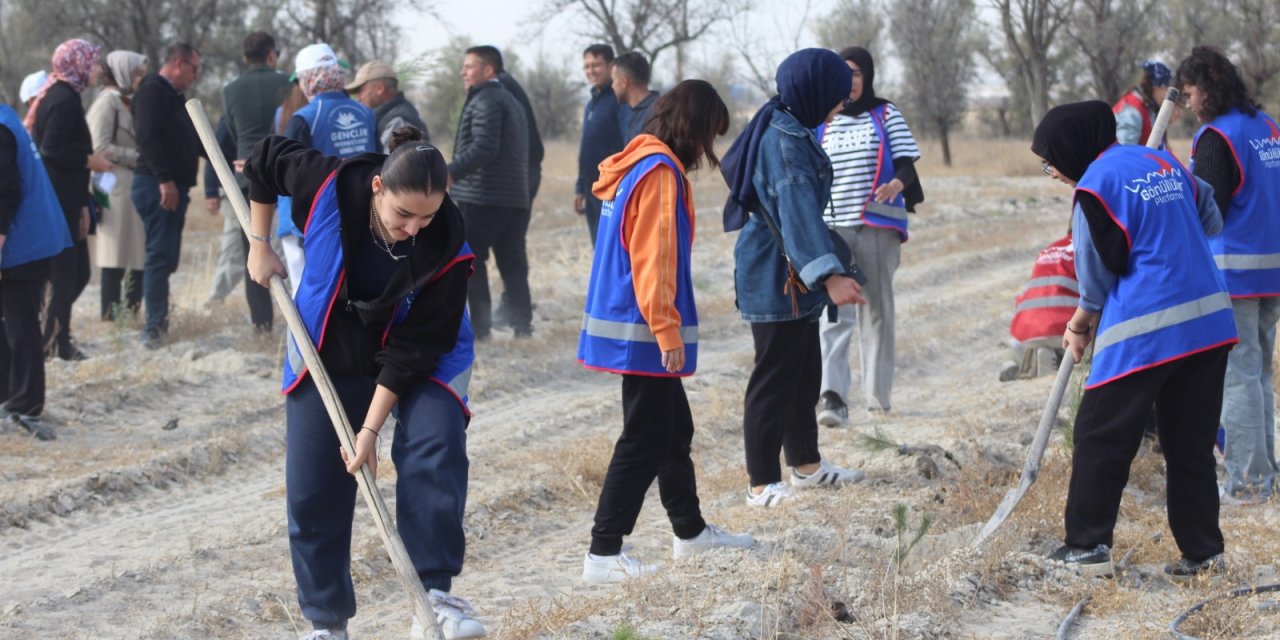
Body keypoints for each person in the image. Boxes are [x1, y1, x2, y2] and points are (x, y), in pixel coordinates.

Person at [244, 126, 484, 640]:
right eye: (404, 215)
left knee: (433, 446)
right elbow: (264, 158)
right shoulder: (328, 182)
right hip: (329, 346)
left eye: (428, 215)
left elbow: (414, 351)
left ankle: (435, 598)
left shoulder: (446, 243)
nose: (416, 228)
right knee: (313, 489)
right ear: (377, 188)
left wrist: (370, 431)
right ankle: (327, 624)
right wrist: (259, 243)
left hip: (419, 356)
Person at [1034, 100, 1236, 582]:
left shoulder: (1094, 186)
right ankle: (1204, 554)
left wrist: (1079, 324)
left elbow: (1099, 276)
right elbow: (1210, 219)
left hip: (1146, 329)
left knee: (1100, 435)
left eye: (1049, 161)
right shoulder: (1163, 161)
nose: (1051, 172)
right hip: (1209, 322)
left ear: (1070, 150)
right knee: (1190, 444)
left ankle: (1086, 547)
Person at [578, 80, 754, 583]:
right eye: (707, 136)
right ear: (691, 128)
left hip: (633, 323)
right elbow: (653, 259)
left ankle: (691, 532)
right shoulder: (658, 173)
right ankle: (603, 554)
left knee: (673, 429)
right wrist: (667, 330)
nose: (708, 150)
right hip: (644, 328)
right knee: (645, 437)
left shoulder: (635, 162)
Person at [720, 48, 868, 508]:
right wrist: (830, 277)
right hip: (774, 273)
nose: (841, 104)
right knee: (774, 377)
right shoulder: (784, 141)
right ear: (815, 91)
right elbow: (797, 213)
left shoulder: (790, 126)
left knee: (805, 371)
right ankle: (761, 483)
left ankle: (806, 467)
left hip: (790, 272)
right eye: (837, 96)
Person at [1179, 46, 1280, 504]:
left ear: (1209, 88)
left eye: (1190, 91)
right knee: (1258, 375)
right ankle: (1266, 473)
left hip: (1236, 276)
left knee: (1238, 379)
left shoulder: (1216, 137)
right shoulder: (1268, 128)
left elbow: (1210, 211)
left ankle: (1248, 483)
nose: (1187, 101)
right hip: (1272, 272)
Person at [815, 46, 923, 425]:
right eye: (844, 74)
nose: (851, 81)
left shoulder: (886, 113)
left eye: (857, 73)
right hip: (833, 231)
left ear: (868, 77)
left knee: (878, 312)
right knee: (833, 313)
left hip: (877, 227)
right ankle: (833, 398)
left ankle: (878, 397)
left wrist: (896, 182)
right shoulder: (822, 120)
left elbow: (908, 163)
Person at [27, 38, 114, 361]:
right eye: (91, 63)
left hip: (66, 200)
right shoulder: (63, 100)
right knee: (66, 275)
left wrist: (81, 204)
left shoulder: (63, 95)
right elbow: (52, 150)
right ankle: (54, 343)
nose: (95, 70)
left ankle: (55, 336)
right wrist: (89, 161)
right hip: (57, 202)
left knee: (75, 274)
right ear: (76, 65)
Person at [448, 45, 532, 340]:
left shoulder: (486, 99)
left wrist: (451, 171)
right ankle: (523, 327)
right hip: (513, 197)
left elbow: (484, 146)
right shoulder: (509, 99)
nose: (463, 71)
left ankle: (481, 329)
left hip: (483, 197)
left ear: (488, 70)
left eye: (469, 66)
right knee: (513, 262)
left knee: (471, 259)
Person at [0, 102, 72, 440]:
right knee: (9, 323)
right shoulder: (5, 117)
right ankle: (9, 398)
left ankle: (26, 407)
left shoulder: (1, 129)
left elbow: (5, 192)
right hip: (27, 238)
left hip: (23, 242)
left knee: (20, 324)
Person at [211, 31, 291, 330]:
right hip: (285, 173)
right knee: (292, 248)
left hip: (247, 179)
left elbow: (231, 133)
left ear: (246, 58)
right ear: (271, 54)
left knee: (254, 253)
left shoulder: (231, 90)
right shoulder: (286, 84)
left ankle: (261, 323)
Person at [132, 42, 203, 348]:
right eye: (194, 68)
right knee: (159, 257)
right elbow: (146, 137)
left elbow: (194, 139)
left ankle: (159, 321)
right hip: (157, 186)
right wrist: (164, 180)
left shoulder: (174, 96)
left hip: (173, 186)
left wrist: (228, 163)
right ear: (178, 63)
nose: (195, 75)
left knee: (166, 258)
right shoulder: (152, 90)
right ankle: (153, 329)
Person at [86, 50, 148, 321]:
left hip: (132, 184)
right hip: (111, 183)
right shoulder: (106, 104)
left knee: (138, 250)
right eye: (136, 73)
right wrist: (136, 157)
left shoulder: (129, 101)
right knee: (113, 251)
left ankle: (132, 311)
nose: (139, 79)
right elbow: (99, 148)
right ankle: (110, 315)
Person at [575, 43, 626, 245]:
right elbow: (585, 148)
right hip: (591, 189)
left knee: (611, 250)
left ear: (611, 66)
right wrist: (579, 187)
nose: (591, 71)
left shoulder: (618, 99)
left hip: (612, 189)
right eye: (586, 66)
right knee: (599, 251)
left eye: (596, 65)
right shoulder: (591, 104)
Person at [346, 59, 430, 152]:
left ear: (379, 89)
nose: (358, 98)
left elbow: (396, 165)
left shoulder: (399, 122)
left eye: (360, 90)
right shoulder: (392, 117)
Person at [1113, 60, 1172, 148]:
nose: (1166, 93)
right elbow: (1125, 151)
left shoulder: (1148, 106)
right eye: (1166, 88)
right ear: (1157, 87)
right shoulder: (1131, 108)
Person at [612, 51, 658, 141]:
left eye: (613, 80)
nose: (612, 86)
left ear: (624, 81)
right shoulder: (628, 112)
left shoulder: (656, 114)